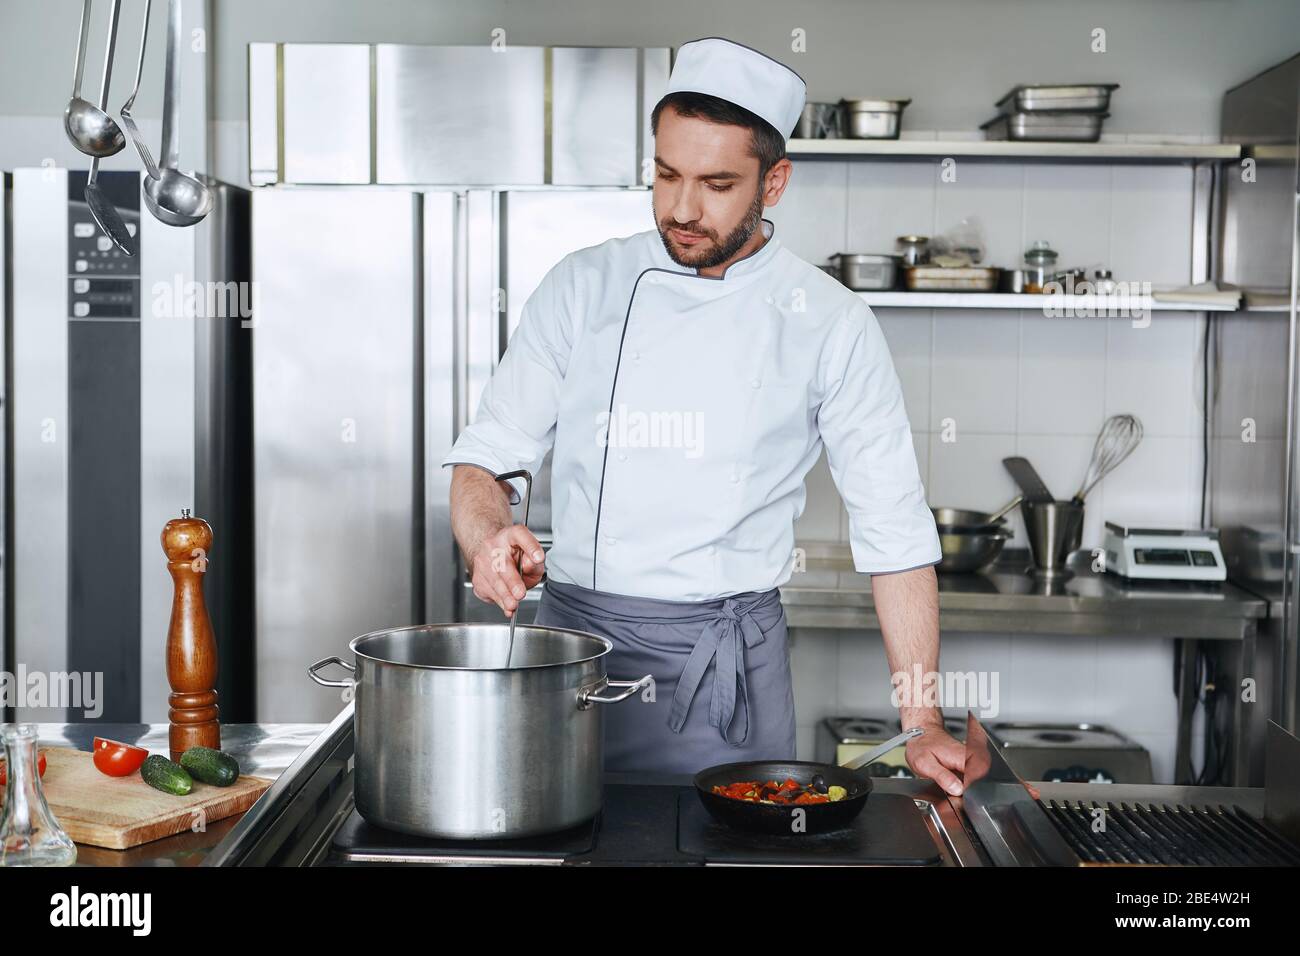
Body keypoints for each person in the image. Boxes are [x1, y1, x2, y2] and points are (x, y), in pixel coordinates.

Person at [445, 37, 965, 795]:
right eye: (665, 175)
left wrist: (921, 724)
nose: (682, 209)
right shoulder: (582, 287)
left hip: (726, 668)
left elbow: (895, 533)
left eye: (717, 184)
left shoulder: (830, 322)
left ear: (774, 182)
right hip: (570, 662)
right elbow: (484, 458)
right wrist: (487, 534)